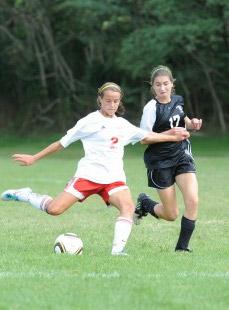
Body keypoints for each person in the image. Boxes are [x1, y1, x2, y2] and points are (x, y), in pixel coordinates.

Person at [1, 82, 190, 256]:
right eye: (108, 101)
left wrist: (172, 136)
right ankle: (25, 195)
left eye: (116, 101)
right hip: (88, 176)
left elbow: (147, 136)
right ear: (100, 100)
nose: (112, 104)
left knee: (128, 207)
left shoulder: (122, 125)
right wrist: (34, 157)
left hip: (114, 179)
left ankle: (117, 252)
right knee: (54, 209)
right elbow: (61, 143)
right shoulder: (88, 122)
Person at [134, 66, 202, 252]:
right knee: (171, 214)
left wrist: (192, 124)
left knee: (193, 200)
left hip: (181, 155)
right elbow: (143, 138)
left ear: (172, 84)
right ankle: (145, 203)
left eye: (166, 84)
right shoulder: (151, 108)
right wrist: (171, 134)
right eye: (158, 85)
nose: (162, 88)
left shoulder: (178, 101)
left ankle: (182, 248)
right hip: (159, 161)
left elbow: (183, 120)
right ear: (152, 87)